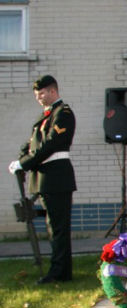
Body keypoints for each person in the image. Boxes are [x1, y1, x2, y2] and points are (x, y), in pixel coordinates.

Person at [8, 75, 77, 283]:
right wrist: (21, 159)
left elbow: (51, 144)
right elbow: (33, 143)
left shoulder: (63, 113)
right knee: (53, 227)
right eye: (36, 95)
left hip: (56, 177)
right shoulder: (46, 115)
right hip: (46, 177)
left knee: (58, 229)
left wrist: (25, 163)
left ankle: (59, 272)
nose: (38, 97)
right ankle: (61, 271)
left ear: (53, 91)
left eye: (42, 93)